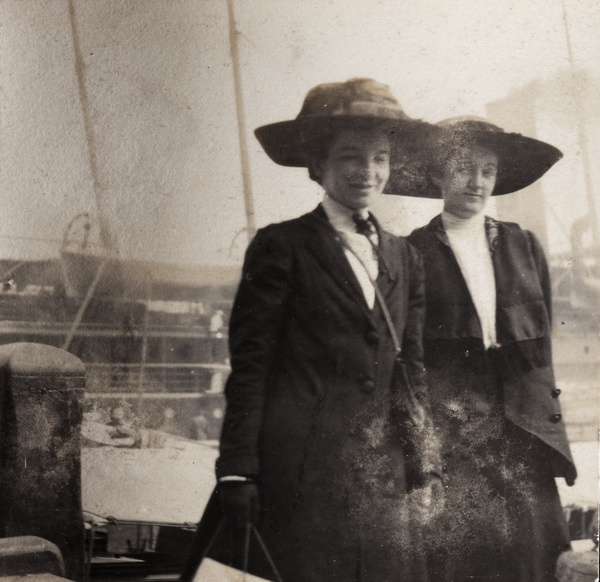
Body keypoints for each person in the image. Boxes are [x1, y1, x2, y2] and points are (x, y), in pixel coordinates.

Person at [213, 78, 443, 582]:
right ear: (318, 166)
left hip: (379, 474)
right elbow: (251, 368)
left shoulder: (405, 258)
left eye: (380, 158)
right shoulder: (283, 246)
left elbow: (411, 370)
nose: (369, 172)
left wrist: (425, 462)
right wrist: (237, 469)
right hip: (298, 472)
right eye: (351, 157)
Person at [406, 117, 577, 582]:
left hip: (523, 435)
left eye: (487, 170)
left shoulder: (525, 246)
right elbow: (409, 359)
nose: (477, 182)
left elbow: (541, 354)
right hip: (454, 436)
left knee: (535, 562)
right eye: (464, 168)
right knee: (460, 561)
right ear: (440, 174)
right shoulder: (410, 254)